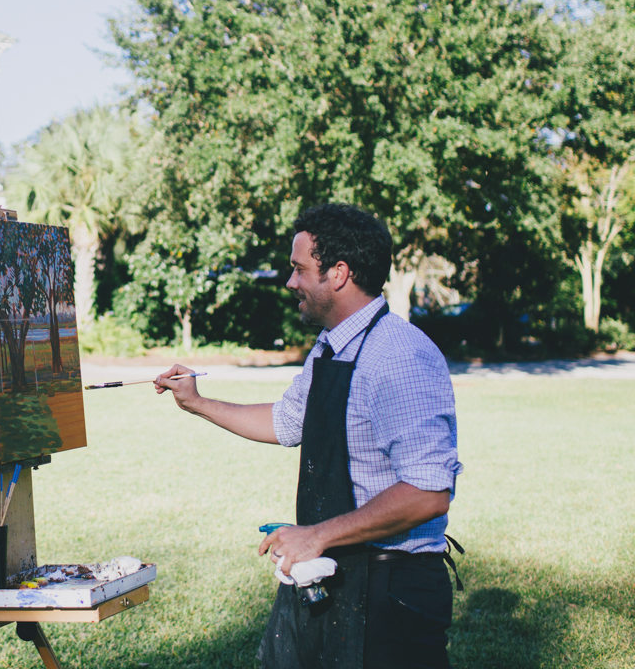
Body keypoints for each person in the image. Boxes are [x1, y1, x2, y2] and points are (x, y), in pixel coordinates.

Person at [154, 204, 462, 669]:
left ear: (338, 274)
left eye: (299, 269)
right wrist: (198, 402)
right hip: (335, 573)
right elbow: (287, 421)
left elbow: (428, 493)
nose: (290, 281)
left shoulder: (401, 357)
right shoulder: (330, 344)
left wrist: (316, 536)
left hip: (391, 594)